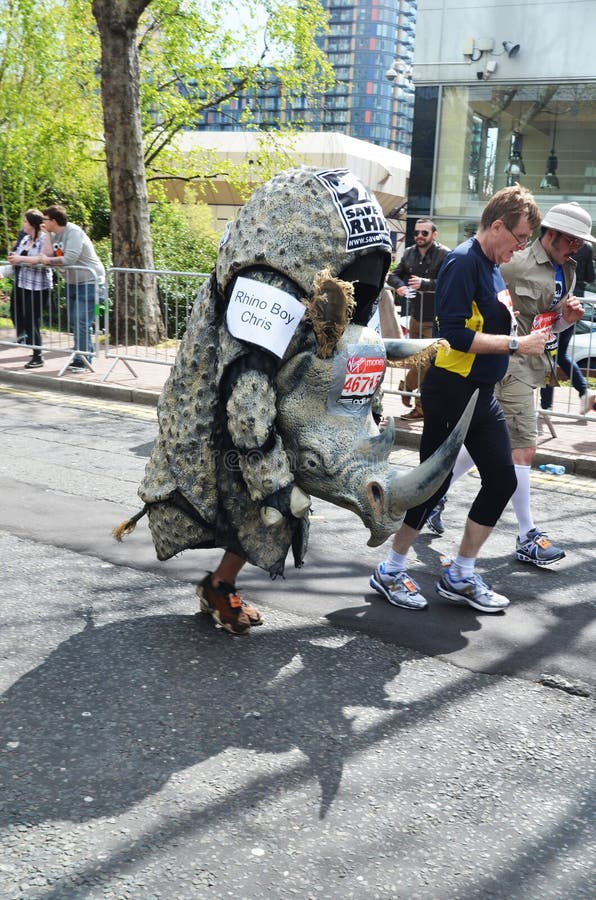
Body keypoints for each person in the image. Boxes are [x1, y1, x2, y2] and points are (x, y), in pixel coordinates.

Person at [370, 185, 545, 613]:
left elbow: (490, 321)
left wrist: (542, 328)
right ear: (498, 225)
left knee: (502, 480)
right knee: (431, 486)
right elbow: (456, 335)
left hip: (480, 393)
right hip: (451, 389)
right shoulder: (464, 261)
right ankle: (390, 570)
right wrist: (513, 346)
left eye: (526, 242)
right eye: (520, 238)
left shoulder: (489, 265)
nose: (521, 248)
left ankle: (461, 574)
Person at [428, 203, 592, 566]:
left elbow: (541, 324)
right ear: (552, 233)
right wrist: (506, 345)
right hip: (507, 366)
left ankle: (433, 496)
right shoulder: (513, 262)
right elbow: (483, 315)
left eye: (580, 243)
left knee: (490, 446)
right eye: (573, 241)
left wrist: (566, 321)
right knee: (523, 450)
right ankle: (526, 535)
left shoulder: (568, 269)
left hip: (531, 363)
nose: (577, 247)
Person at [387, 218, 449, 419]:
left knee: (428, 363)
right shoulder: (409, 253)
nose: (419, 237)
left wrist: (425, 283)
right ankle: (414, 397)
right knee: (417, 360)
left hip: (434, 318)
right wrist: (400, 287)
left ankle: (412, 394)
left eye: (424, 233)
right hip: (415, 316)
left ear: (434, 234)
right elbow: (392, 276)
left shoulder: (444, 254)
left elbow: (449, 283)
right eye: (416, 233)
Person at [35, 205, 106, 372]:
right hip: (73, 283)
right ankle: (82, 356)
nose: (42, 223)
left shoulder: (73, 232)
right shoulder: (52, 234)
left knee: (81, 322)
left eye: (45, 219)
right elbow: (47, 254)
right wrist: (46, 235)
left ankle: (82, 359)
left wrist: (48, 261)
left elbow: (69, 258)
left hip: (90, 282)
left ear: (53, 220)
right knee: (76, 322)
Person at [540, 240, 595, 414]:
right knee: (559, 355)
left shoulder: (554, 242)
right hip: (574, 304)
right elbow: (590, 277)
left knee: (550, 356)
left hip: (555, 306)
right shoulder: (586, 247)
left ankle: (546, 406)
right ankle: (584, 391)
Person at [4, 210, 52, 368]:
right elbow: (17, 258)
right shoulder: (25, 238)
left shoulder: (44, 239)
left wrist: (21, 259)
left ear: (33, 224)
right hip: (23, 283)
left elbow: (44, 258)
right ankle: (31, 345)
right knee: (23, 318)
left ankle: (38, 356)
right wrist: (13, 258)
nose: (23, 225)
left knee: (33, 320)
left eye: (25, 222)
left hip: (38, 286)